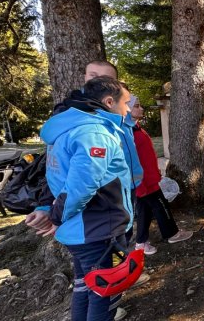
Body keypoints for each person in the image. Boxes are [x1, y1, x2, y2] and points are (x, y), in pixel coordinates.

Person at [36, 76, 135, 321]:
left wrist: (55, 214)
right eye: (126, 102)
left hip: (82, 228)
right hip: (95, 229)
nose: (129, 108)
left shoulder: (72, 126)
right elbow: (81, 185)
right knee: (104, 292)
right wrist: (56, 217)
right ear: (109, 102)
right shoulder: (94, 133)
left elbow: (60, 177)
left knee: (86, 286)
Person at [129, 96, 193, 254]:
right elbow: (131, 161)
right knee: (161, 205)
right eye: (136, 106)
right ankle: (172, 233)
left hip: (147, 179)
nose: (141, 108)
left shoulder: (135, 128)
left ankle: (141, 243)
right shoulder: (127, 132)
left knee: (144, 210)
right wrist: (141, 183)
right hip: (143, 182)